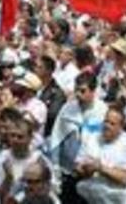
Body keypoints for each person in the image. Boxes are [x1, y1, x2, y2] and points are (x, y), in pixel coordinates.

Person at [49, 72, 108, 201]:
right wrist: (55, 166)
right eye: (76, 90)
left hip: (90, 174)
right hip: (67, 172)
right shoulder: (67, 109)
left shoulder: (102, 111)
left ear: (93, 91)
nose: (78, 94)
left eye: (83, 91)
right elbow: (56, 137)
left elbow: (104, 142)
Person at [74, 106, 126, 203]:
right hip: (87, 195)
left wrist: (101, 168)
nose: (107, 126)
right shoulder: (92, 138)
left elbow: (125, 178)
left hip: (113, 198)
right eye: (106, 121)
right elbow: (77, 167)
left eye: (112, 124)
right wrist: (85, 170)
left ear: (121, 127)